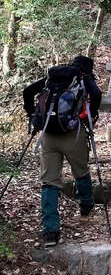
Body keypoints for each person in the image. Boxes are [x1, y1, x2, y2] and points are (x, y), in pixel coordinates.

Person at [23, 55, 102, 247]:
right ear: (87, 69)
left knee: (49, 182)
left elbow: (27, 91)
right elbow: (97, 95)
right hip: (73, 134)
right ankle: (85, 208)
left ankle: (50, 232)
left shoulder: (53, 78)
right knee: (81, 171)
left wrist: (33, 115)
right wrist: (92, 115)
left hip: (48, 135)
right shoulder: (83, 78)